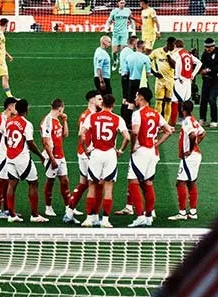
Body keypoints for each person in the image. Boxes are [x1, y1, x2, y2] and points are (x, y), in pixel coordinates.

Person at [124, 86, 173, 227]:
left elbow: (135, 132)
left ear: (141, 98)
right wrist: (156, 144)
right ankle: (148, 216)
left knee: (133, 182)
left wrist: (133, 147)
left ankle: (140, 216)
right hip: (152, 152)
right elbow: (169, 131)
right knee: (148, 183)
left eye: (136, 96)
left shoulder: (137, 114)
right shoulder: (156, 113)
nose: (135, 99)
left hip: (141, 152)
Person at [80, 94, 128, 228]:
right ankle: (105, 220)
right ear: (113, 105)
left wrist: (86, 149)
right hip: (110, 154)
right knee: (108, 187)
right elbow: (127, 137)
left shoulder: (92, 117)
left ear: (102, 104)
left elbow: (81, 135)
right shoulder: (117, 119)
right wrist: (120, 150)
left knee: (92, 185)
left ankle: (89, 218)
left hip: (96, 153)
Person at [2, 98, 46, 223]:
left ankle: (11, 215)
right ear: (27, 109)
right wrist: (41, 156)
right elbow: (30, 143)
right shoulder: (27, 124)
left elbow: (6, 139)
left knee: (12, 184)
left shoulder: (9, 122)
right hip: (22, 158)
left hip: (10, 157)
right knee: (33, 183)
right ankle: (35, 215)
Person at [41, 98, 76, 223]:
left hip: (61, 156)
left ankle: (68, 207)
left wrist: (65, 121)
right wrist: (52, 159)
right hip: (52, 157)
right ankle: (48, 207)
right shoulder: (47, 121)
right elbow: (45, 142)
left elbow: (65, 135)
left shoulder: (57, 121)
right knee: (50, 181)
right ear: (60, 108)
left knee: (65, 181)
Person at [170, 100, 206, 220]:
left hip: (189, 157)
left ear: (182, 109)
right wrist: (196, 144)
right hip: (196, 155)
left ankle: (182, 213)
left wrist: (190, 149)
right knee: (191, 182)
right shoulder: (193, 120)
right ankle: (193, 212)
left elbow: (192, 135)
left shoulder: (186, 121)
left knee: (180, 183)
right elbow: (203, 133)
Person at [66, 91, 100, 214]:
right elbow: (82, 134)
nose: (101, 101)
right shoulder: (87, 116)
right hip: (87, 154)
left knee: (83, 183)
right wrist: (87, 150)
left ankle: (70, 210)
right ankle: (91, 214)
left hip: (84, 153)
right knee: (94, 184)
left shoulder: (89, 114)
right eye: (99, 99)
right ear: (92, 100)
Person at [0, 95, 18, 218]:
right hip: (0, 155)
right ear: (10, 107)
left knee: (8, 181)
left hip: (3, 153)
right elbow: (9, 137)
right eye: (16, 106)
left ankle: (7, 209)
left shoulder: (2, 117)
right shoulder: (2, 120)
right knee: (1, 182)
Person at [169, 39, 202, 127]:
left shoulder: (177, 54)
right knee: (186, 103)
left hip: (180, 80)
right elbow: (199, 63)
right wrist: (193, 74)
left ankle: (172, 124)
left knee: (174, 101)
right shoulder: (188, 54)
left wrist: (178, 76)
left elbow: (178, 64)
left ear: (175, 46)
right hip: (188, 81)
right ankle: (190, 122)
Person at [198, 37, 218, 127]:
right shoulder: (205, 54)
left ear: (213, 46)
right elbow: (202, 64)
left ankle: (214, 120)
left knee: (212, 98)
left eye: (209, 47)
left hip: (217, 79)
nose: (208, 49)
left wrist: (207, 70)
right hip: (207, 79)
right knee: (203, 99)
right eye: (206, 47)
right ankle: (202, 119)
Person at [149, 36, 176, 119]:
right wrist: (154, 73)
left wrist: (168, 55)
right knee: (158, 102)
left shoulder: (174, 53)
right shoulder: (157, 51)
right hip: (160, 80)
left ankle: (166, 122)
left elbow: (174, 66)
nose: (174, 47)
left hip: (170, 81)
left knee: (168, 102)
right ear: (168, 44)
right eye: (172, 45)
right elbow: (147, 61)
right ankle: (157, 121)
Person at [93, 34, 114, 103]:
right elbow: (99, 68)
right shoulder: (101, 53)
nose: (110, 44)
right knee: (107, 99)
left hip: (101, 78)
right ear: (104, 42)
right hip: (103, 78)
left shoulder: (99, 50)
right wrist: (102, 81)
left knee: (105, 98)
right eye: (109, 42)